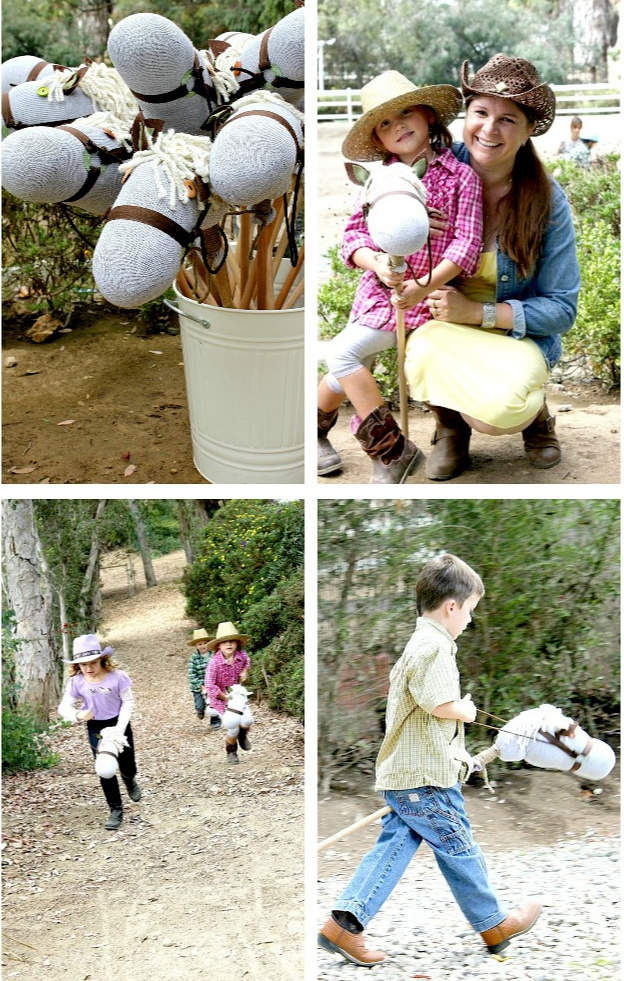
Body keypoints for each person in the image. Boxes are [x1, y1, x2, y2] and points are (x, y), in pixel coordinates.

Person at [318, 553, 541, 968]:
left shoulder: (420, 643)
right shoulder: (435, 646)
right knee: (459, 846)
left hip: (408, 774)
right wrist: (468, 711)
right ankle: (494, 923)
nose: (470, 621)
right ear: (452, 606)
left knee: (396, 845)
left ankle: (343, 925)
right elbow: (439, 703)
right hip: (425, 778)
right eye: (470, 611)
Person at [404, 53, 580, 481]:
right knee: (418, 348)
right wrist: (405, 223)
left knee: (497, 415)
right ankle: (450, 428)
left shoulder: (547, 202)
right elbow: (371, 220)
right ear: (466, 114)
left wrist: (478, 313)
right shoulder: (430, 171)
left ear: (528, 132)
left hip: (514, 335)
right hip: (442, 327)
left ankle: (535, 414)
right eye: (480, 112)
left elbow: (562, 308)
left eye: (507, 120)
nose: (489, 128)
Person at [317, 70, 483, 483]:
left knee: (344, 357)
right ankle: (319, 433)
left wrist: (423, 285)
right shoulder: (376, 182)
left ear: (428, 115)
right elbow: (352, 237)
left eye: (406, 112)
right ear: (377, 139)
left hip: (429, 296)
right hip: (382, 295)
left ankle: (391, 454)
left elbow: (467, 243)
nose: (398, 126)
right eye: (385, 123)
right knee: (348, 368)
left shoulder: (460, 176)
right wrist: (377, 262)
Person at [57, 634, 141, 830]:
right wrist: (78, 713)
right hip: (96, 727)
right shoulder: (77, 682)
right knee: (105, 768)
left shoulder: (117, 677)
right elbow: (63, 707)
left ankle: (129, 780)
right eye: (83, 664)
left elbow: (128, 702)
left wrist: (119, 730)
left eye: (93, 662)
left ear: (102, 659)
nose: (88, 668)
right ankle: (115, 809)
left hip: (119, 724)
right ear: (77, 665)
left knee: (127, 764)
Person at [205, 621, 253, 764]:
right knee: (232, 725)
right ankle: (231, 750)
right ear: (218, 645)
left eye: (232, 641)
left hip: (236, 693)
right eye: (224, 642)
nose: (229, 644)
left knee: (247, 720)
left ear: (237, 643)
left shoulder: (241, 655)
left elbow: (247, 662)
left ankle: (242, 735)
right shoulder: (214, 663)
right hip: (221, 697)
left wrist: (244, 671)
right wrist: (224, 697)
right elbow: (209, 684)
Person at [187, 627, 220, 728]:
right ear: (196, 646)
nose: (203, 646)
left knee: (214, 703)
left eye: (205, 643)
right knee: (199, 705)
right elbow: (192, 675)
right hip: (198, 686)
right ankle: (200, 710)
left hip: (212, 685)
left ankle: (215, 720)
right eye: (199, 644)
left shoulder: (214, 655)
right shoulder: (194, 658)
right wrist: (200, 686)